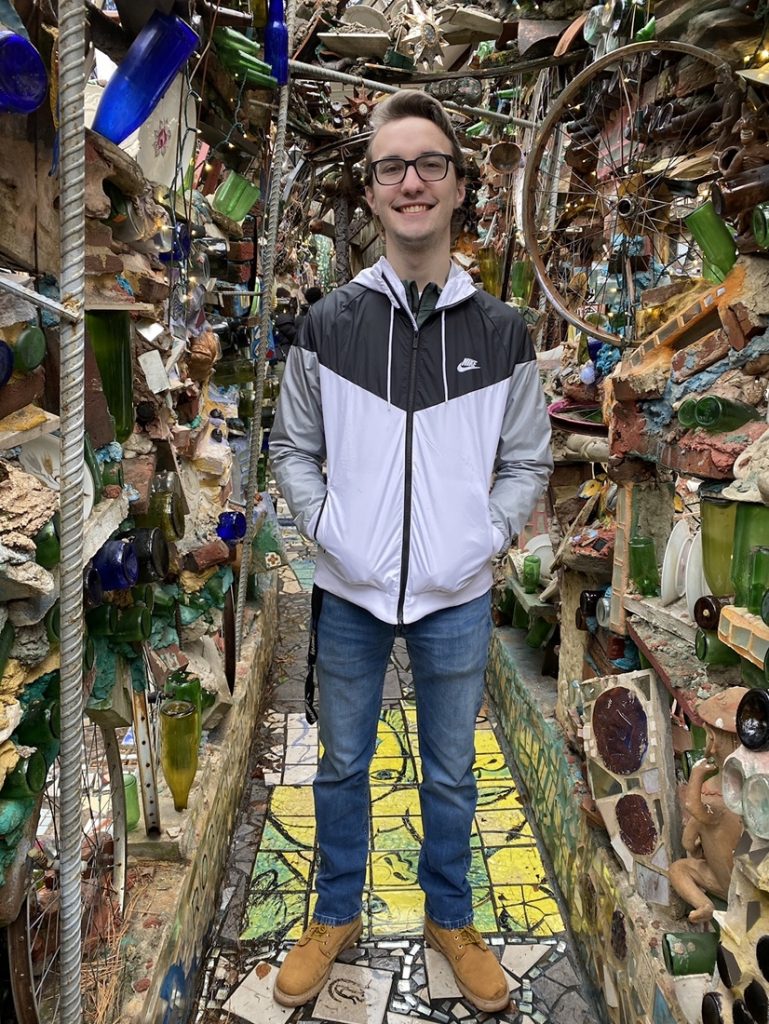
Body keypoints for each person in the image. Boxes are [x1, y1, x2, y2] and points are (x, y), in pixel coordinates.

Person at [269, 90, 553, 1013]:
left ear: (460, 185)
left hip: (457, 595)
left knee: (452, 771)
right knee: (342, 764)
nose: (411, 182)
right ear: (371, 192)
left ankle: (451, 919)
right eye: (392, 167)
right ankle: (334, 915)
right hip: (348, 590)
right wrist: (327, 528)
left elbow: (524, 462)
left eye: (430, 163)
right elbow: (292, 450)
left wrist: (484, 537)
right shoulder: (327, 324)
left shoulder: (503, 333)